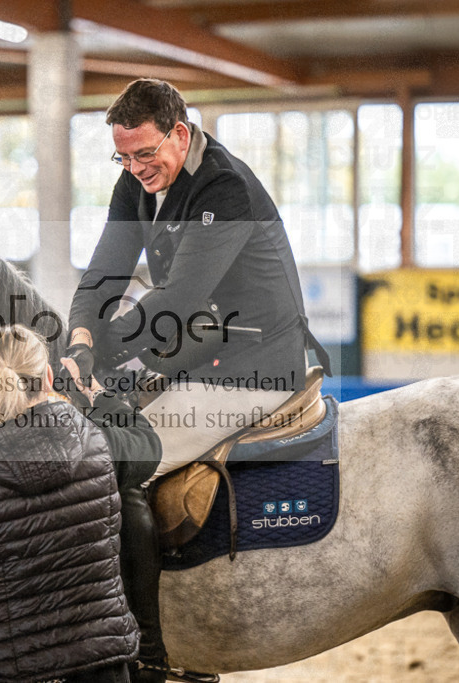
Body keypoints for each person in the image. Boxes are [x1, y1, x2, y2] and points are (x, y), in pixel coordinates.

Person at [62, 78, 330, 681]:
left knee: (113, 463)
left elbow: (175, 302)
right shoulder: (136, 183)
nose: (135, 169)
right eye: (123, 157)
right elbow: (102, 275)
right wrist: (78, 340)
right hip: (195, 352)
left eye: (145, 154)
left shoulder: (225, 188)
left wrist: (98, 353)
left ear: (180, 134)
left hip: (251, 367)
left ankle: (146, 653)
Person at [0, 324, 162, 683]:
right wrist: (97, 395)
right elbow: (148, 445)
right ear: (50, 377)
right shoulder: (100, 448)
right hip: (100, 669)